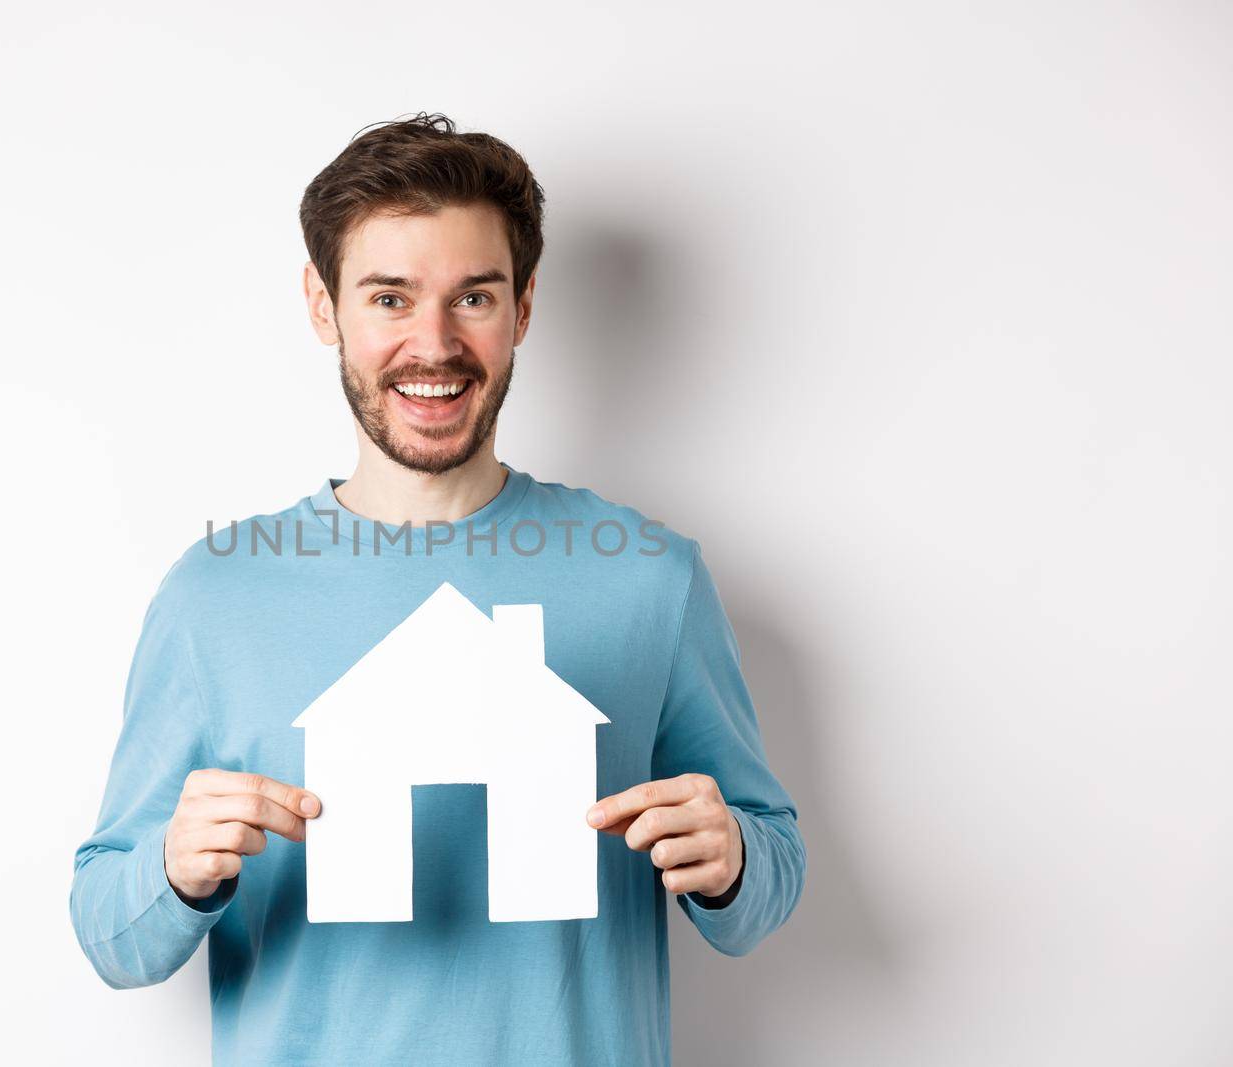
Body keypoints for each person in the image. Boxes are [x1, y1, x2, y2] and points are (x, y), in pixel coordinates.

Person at [68, 112, 806, 1065]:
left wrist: (735, 858)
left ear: (525, 307)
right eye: (388, 298)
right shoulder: (217, 595)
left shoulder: (649, 576)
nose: (434, 344)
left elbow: (768, 880)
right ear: (323, 305)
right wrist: (173, 869)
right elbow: (108, 936)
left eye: (474, 297)